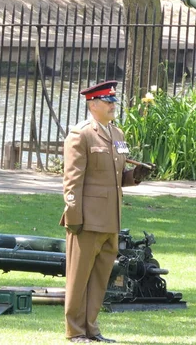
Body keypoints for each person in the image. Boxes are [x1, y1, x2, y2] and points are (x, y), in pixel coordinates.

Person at [60, 80, 153, 343]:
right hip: (87, 219)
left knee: (101, 278)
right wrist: (73, 216)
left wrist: (135, 175)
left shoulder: (117, 134)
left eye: (114, 100)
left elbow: (115, 176)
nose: (113, 105)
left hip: (111, 218)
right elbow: (72, 180)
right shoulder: (80, 135)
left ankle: (92, 328)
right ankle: (75, 332)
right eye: (108, 101)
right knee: (79, 279)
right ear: (93, 105)